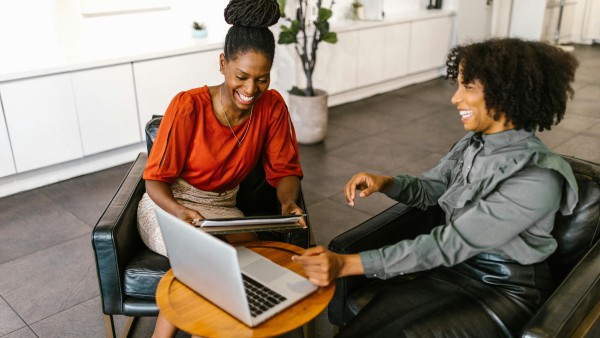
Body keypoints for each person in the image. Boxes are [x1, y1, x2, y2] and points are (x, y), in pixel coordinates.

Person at [293, 38, 580, 337]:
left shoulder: (538, 174)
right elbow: (431, 189)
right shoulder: (473, 145)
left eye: (467, 86)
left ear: (506, 91)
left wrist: (344, 264)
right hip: (454, 271)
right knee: (365, 325)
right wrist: (387, 183)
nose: (455, 98)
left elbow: (450, 243)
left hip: (505, 291)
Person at [136, 0, 303, 336]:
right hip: (169, 205)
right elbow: (154, 181)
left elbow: (285, 168)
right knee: (205, 260)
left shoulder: (271, 107)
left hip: (223, 208)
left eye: (262, 79)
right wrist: (179, 210)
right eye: (241, 76)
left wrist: (287, 202)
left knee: (253, 255)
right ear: (223, 63)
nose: (250, 90)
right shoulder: (188, 106)